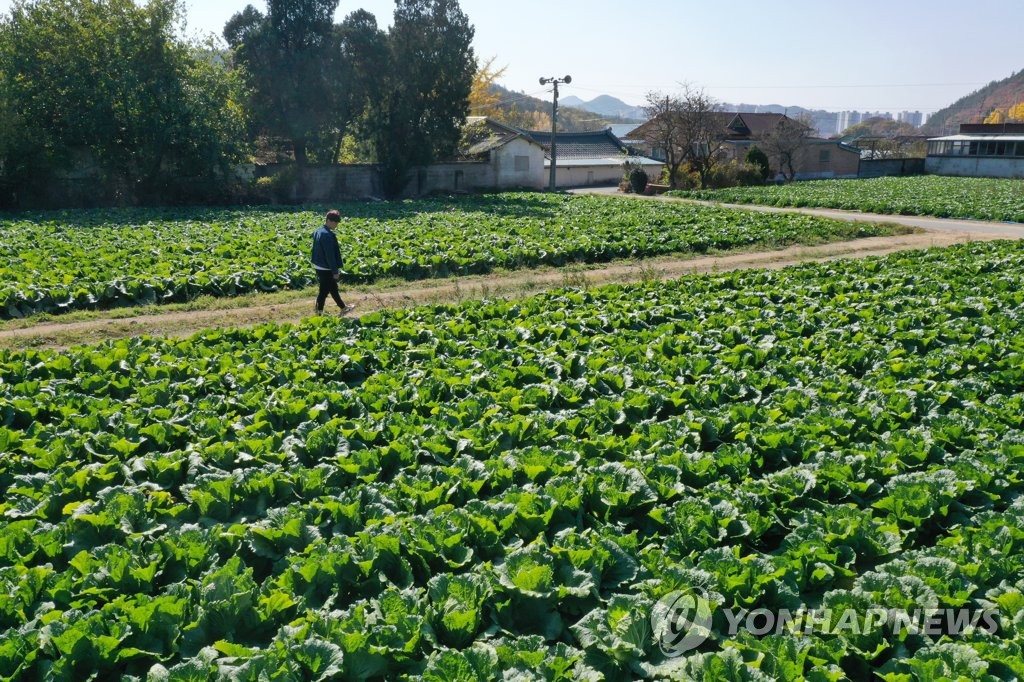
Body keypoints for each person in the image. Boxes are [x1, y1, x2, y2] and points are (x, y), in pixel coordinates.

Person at [311, 209, 354, 315]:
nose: (336, 225)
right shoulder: (327, 235)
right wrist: (335, 271)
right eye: (336, 222)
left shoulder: (319, 230)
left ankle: (343, 308)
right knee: (324, 291)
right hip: (326, 267)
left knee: (333, 288)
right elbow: (330, 255)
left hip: (319, 265)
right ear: (329, 221)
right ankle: (318, 312)